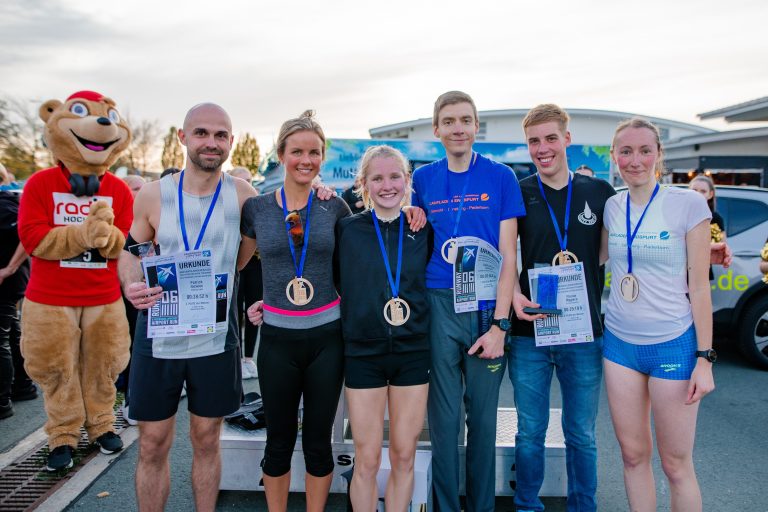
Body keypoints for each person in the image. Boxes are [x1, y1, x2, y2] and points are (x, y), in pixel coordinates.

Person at [118, 103, 257, 512]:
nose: (210, 143)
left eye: (220, 135)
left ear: (231, 141)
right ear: (182, 137)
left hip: (215, 338)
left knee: (207, 439)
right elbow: (130, 252)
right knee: (153, 443)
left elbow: (242, 259)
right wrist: (131, 284)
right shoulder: (152, 193)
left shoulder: (243, 195)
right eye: (201, 133)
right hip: (159, 335)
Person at [411, 91, 525, 512]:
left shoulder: (501, 177)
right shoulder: (422, 180)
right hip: (439, 302)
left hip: (484, 307)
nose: (458, 127)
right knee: (442, 421)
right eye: (449, 120)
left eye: (466, 120)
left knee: (483, 420)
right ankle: (445, 507)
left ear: (476, 126)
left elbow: (510, 255)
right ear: (437, 128)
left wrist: (500, 325)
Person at [237, 110, 353, 512]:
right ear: (281, 154)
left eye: (315, 152)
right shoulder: (256, 209)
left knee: (319, 440)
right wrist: (261, 300)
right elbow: (239, 265)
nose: (307, 160)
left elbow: (356, 264)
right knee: (279, 439)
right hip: (276, 341)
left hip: (326, 339)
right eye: (298, 151)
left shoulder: (334, 207)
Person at [602, 117, 715, 512]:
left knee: (676, 464)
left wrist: (704, 359)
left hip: (673, 344)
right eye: (626, 151)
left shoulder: (688, 203)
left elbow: (700, 288)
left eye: (644, 150)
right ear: (614, 157)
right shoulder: (612, 206)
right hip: (619, 345)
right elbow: (591, 258)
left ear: (659, 155)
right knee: (632, 457)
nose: (635, 160)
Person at [509, 104, 616, 512]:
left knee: (581, 435)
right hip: (529, 333)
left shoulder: (599, 192)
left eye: (551, 138)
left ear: (567, 139)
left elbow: (611, 251)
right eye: (534, 141)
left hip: (583, 333)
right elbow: (504, 254)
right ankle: (526, 506)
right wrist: (514, 296)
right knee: (530, 432)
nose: (543, 148)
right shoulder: (518, 192)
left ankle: (582, 507)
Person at [336, 145, 432, 511]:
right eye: (377, 178)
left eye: (395, 177)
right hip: (363, 353)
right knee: (368, 458)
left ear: (407, 181)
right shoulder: (347, 230)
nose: (387, 185)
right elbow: (333, 281)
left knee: (405, 454)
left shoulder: (423, 228)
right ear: (364, 184)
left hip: (412, 352)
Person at [0, 187, 35, 419]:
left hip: (8, 281)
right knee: (10, 332)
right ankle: (23, 386)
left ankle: (2, 401)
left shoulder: (4, 205)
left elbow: (27, 234)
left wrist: (9, 268)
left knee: (1, 338)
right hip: (12, 280)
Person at [228, 167, 262, 379]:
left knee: (254, 310)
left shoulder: (259, 206)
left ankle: (249, 358)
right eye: (241, 181)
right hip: (233, 265)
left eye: (249, 180)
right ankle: (235, 356)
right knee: (233, 311)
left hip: (256, 265)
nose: (246, 185)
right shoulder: (224, 206)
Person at [689, 174, 725, 280]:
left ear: (711, 194)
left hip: (702, 271)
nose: (698, 194)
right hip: (678, 273)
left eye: (703, 191)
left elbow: (721, 246)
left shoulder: (715, 218)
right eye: (694, 190)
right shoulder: (678, 215)